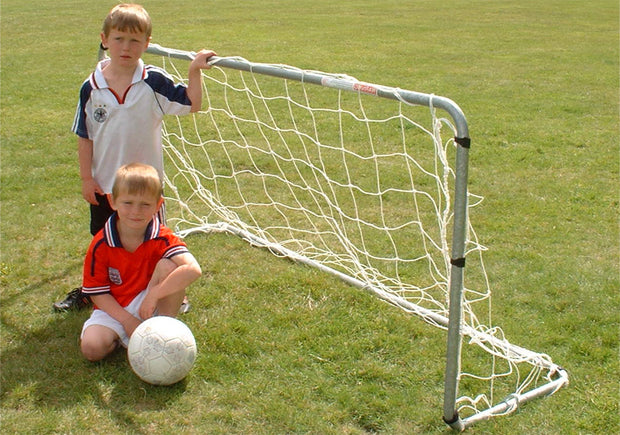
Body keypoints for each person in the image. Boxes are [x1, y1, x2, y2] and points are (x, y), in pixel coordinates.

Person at [53, 3, 215, 312]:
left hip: (145, 188)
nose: (126, 47)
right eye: (118, 39)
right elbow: (84, 135)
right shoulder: (91, 87)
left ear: (147, 43)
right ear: (104, 40)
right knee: (104, 240)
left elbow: (192, 103)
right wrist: (87, 178)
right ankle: (95, 290)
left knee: (153, 242)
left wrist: (194, 70)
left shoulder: (153, 82)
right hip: (105, 185)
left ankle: (169, 292)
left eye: (135, 40)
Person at [80, 163, 202, 361]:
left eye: (145, 204)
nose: (136, 211)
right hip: (114, 307)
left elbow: (193, 269)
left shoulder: (162, 236)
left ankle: (162, 328)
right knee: (92, 349)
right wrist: (128, 321)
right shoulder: (101, 243)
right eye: (128, 203)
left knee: (170, 266)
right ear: (112, 201)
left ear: (158, 205)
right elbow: (98, 293)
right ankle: (127, 337)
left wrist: (154, 294)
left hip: (150, 304)